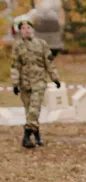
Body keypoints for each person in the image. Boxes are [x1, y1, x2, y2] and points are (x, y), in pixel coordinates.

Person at [11, 20, 60, 149]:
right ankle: (37, 136)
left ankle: (26, 136)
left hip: (39, 81)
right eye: (23, 28)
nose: (26, 30)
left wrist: (55, 78)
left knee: (35, 108)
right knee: (29, 111)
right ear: (20, 31)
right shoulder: (17, 46)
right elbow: (15, 65)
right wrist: (15, 83)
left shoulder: (42, 44)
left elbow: (49, 62)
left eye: (28, 27)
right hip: (24, 83)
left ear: (32, 30)